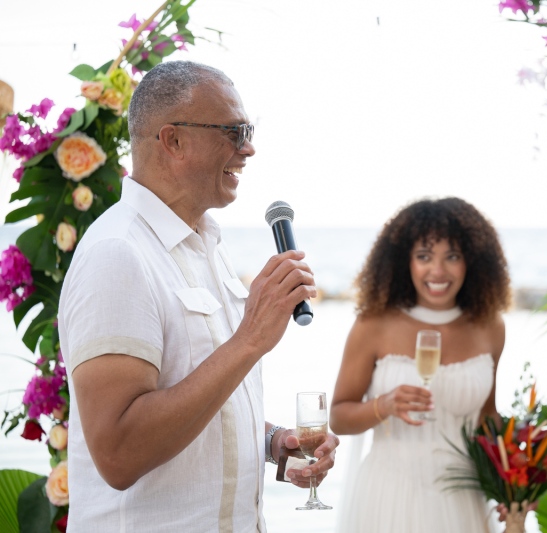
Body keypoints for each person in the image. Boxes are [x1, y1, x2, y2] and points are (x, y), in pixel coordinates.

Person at [58, 60, 338, 532]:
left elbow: (206, 398)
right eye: (234, 130)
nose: (248, 148)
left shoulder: (207, 246)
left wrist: (273, 442)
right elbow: (118, 453)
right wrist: (250, 338)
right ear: (173, 140)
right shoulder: (117, 253)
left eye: (248, 130)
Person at [330, 197, 511, 533]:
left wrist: (514, 479)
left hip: (464, 499)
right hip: (391, 496)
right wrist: (383, 406)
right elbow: (339, 418)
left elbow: (487, 417)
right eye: (424, 256)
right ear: (405, 261)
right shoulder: (373, 325)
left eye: (452, 257)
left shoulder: (491, 327)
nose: (438, 271)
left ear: (471, 260)